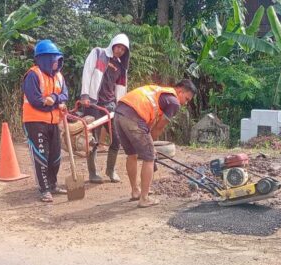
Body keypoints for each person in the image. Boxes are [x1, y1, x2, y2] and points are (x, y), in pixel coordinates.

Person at [113, 79, 197, 208]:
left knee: (132, 154)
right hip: (133, 117)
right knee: (150, 157)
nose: (185, 103)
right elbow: (159, 127)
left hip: (119, 113)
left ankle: (136, 191)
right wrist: (150, 146)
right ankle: (144, 198)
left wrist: (148, 141)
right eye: (186, 99)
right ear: (180, 91)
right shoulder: (174, 102)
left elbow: (149, 120)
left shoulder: (158, 92)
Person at [80, 34, 131, 183]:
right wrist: (85, 95)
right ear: (113, 44)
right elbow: (87, 72)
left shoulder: (121, 67)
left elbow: (121, 88)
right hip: (93, 103)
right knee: (92, 140)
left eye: (123, 49)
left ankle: (111, 170)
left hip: (110, 105)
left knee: (117, 138)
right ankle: (93, 173)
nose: (120, 50)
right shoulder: (98, 53)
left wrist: (121, 105)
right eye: (118, 47)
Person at [22, 39, 69, 202]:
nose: (57, 62)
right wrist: (53, 104)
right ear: (45, 59)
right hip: (34, 122)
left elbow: (65, 95)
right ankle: (44, 189)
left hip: (54, 122)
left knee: (55, 156)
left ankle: (53, 184)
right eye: (55, 59)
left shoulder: (59, 77)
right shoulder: (33, 75)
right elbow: (35, 100)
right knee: (41, 155)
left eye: (58, 59)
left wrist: (54, 99)